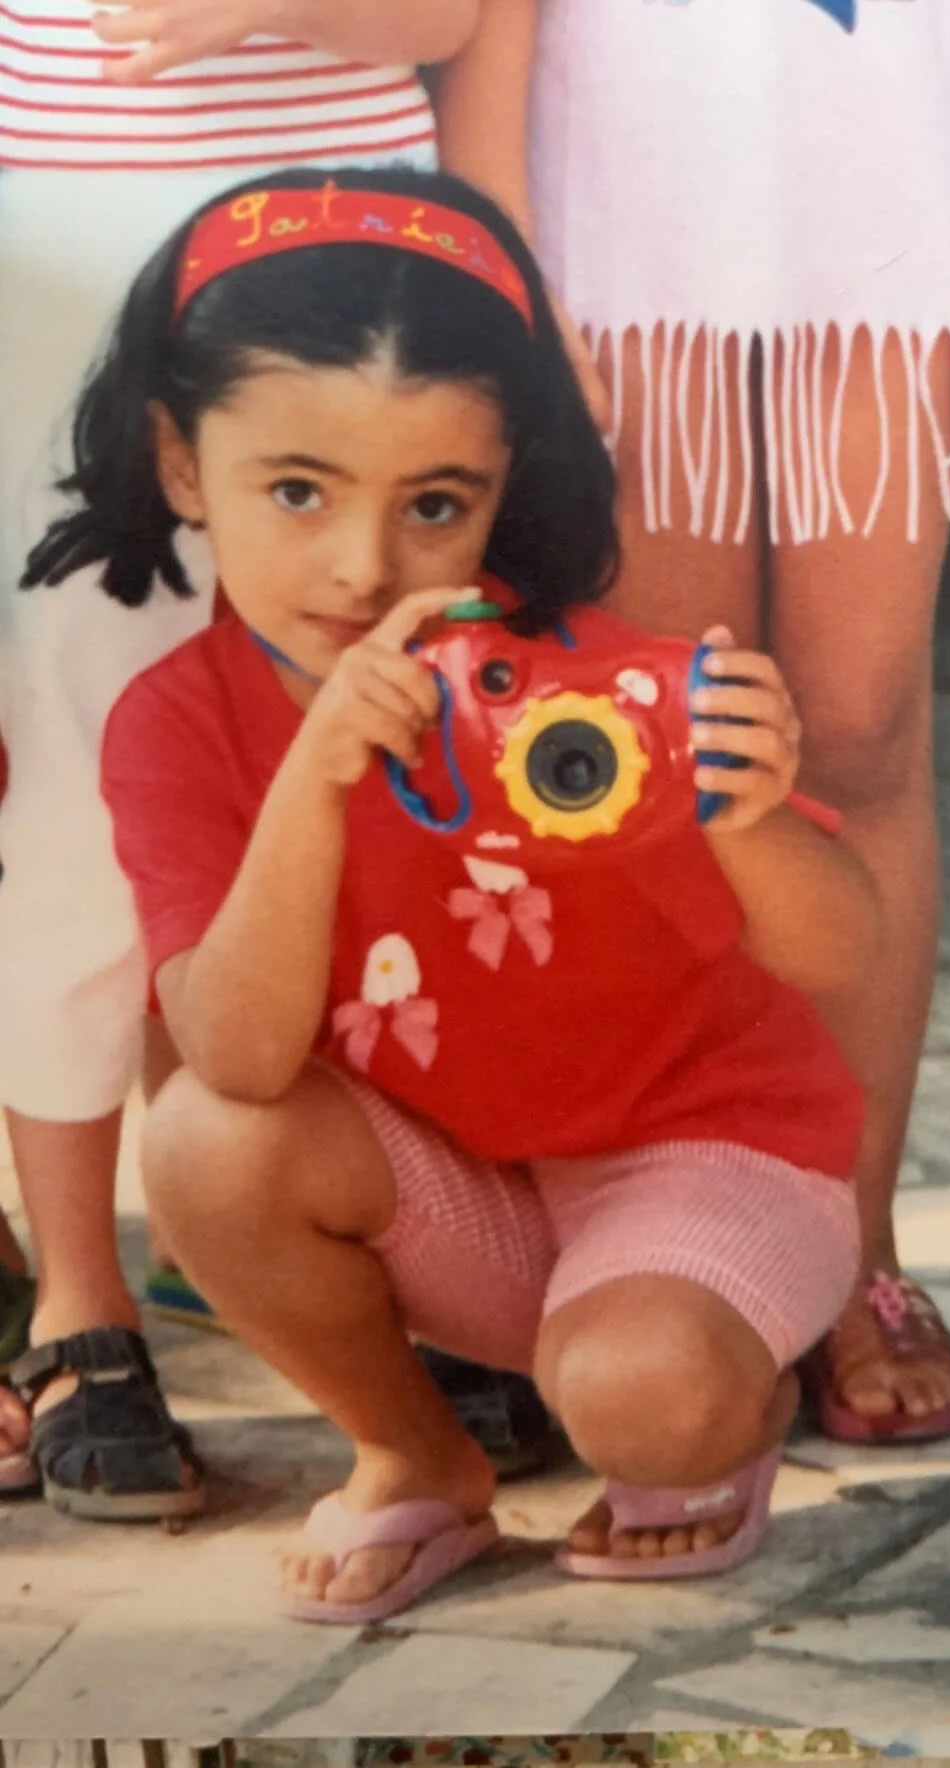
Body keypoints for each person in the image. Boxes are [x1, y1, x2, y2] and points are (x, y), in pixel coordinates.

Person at [34, 163, 877, 1613]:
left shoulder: (585, 683)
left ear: (503, 486)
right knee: (205, 1144)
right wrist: (315, 776)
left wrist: (742, 808)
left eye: (436, 502)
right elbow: (235, 1056)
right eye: (295, 490)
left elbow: (835, 953)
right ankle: (415, 1457)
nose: (362, 567)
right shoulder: (177, 725)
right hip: (459, 1200)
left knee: (637, 1397)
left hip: (702, 1153)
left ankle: (707, 1375)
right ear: (182, 463)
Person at [0, 0, 555, 1512]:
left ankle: (387, 1260)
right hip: (52, 243)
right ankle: (77, 1300)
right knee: (74, 791)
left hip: (359, 267)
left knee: (391, 781)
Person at [433, 0, 950, 1443]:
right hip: (622, 212)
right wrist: (502, 256)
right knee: (666, 733)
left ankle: (854, 1247)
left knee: (858, 731)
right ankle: (676, 1253)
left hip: (879, 196)